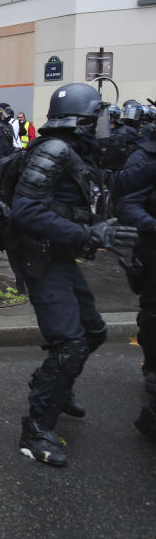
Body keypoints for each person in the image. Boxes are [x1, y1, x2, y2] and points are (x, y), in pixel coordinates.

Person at [11, 83, 137, 467]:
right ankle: (37, 429)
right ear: (84, 118)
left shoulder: (77, 151)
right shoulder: (54, 150)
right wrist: (87, 234)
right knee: (70, 343)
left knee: (94, 331)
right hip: (42, 260)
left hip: (61, 257)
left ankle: (55, 388)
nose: (108, 124)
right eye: (102, 116)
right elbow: (26, 210)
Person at [111, 121, 156, 421]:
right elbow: (126, 201)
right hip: (153, 248)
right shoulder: (144, 155)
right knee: (153, 312)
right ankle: (152, 365)